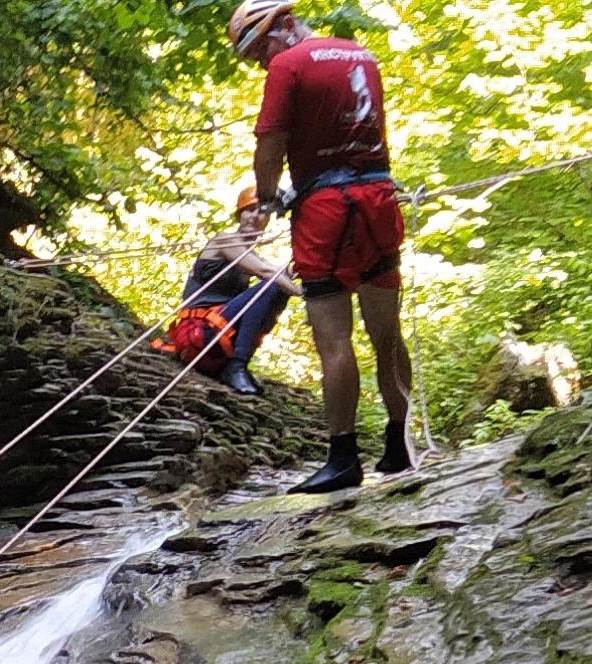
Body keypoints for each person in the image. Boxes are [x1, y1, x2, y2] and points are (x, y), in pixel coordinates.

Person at [231, 0, 415, 493]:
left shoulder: (289, 65)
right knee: (386, 330)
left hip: (325, 210)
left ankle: (343, 456)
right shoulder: (361, 54)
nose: (262, 62)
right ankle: (400, 445)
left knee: (333, 338)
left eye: (260, 49)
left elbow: (269, 145)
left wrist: (269, 198)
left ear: (286, 25)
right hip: (378, 197)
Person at [168, 187, 294, 396]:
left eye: (261, 211)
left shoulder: (251, 255)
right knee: (273, 285)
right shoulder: (224, 241)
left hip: (217, 337)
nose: (254, 216)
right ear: (239, 215)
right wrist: (302, 293)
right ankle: (236, 366)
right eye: (249, 210)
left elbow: (280, 271)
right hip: (201, 335)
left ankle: (236, 366)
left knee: (277, 289)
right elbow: (267, 271)